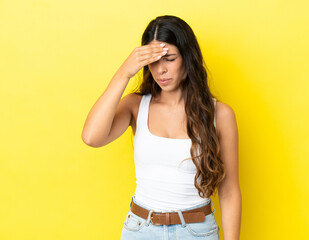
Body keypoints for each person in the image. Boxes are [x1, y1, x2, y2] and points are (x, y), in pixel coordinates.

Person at [81, 15, 241, 240]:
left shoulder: (220, 114)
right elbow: (91, 137)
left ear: (188, 57)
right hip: (141, 230)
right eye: (153, 61)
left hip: (198, 232)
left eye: (170, 59)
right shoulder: (136, 106)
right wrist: (124, 73)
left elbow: (229, 191)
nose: (160, 70)